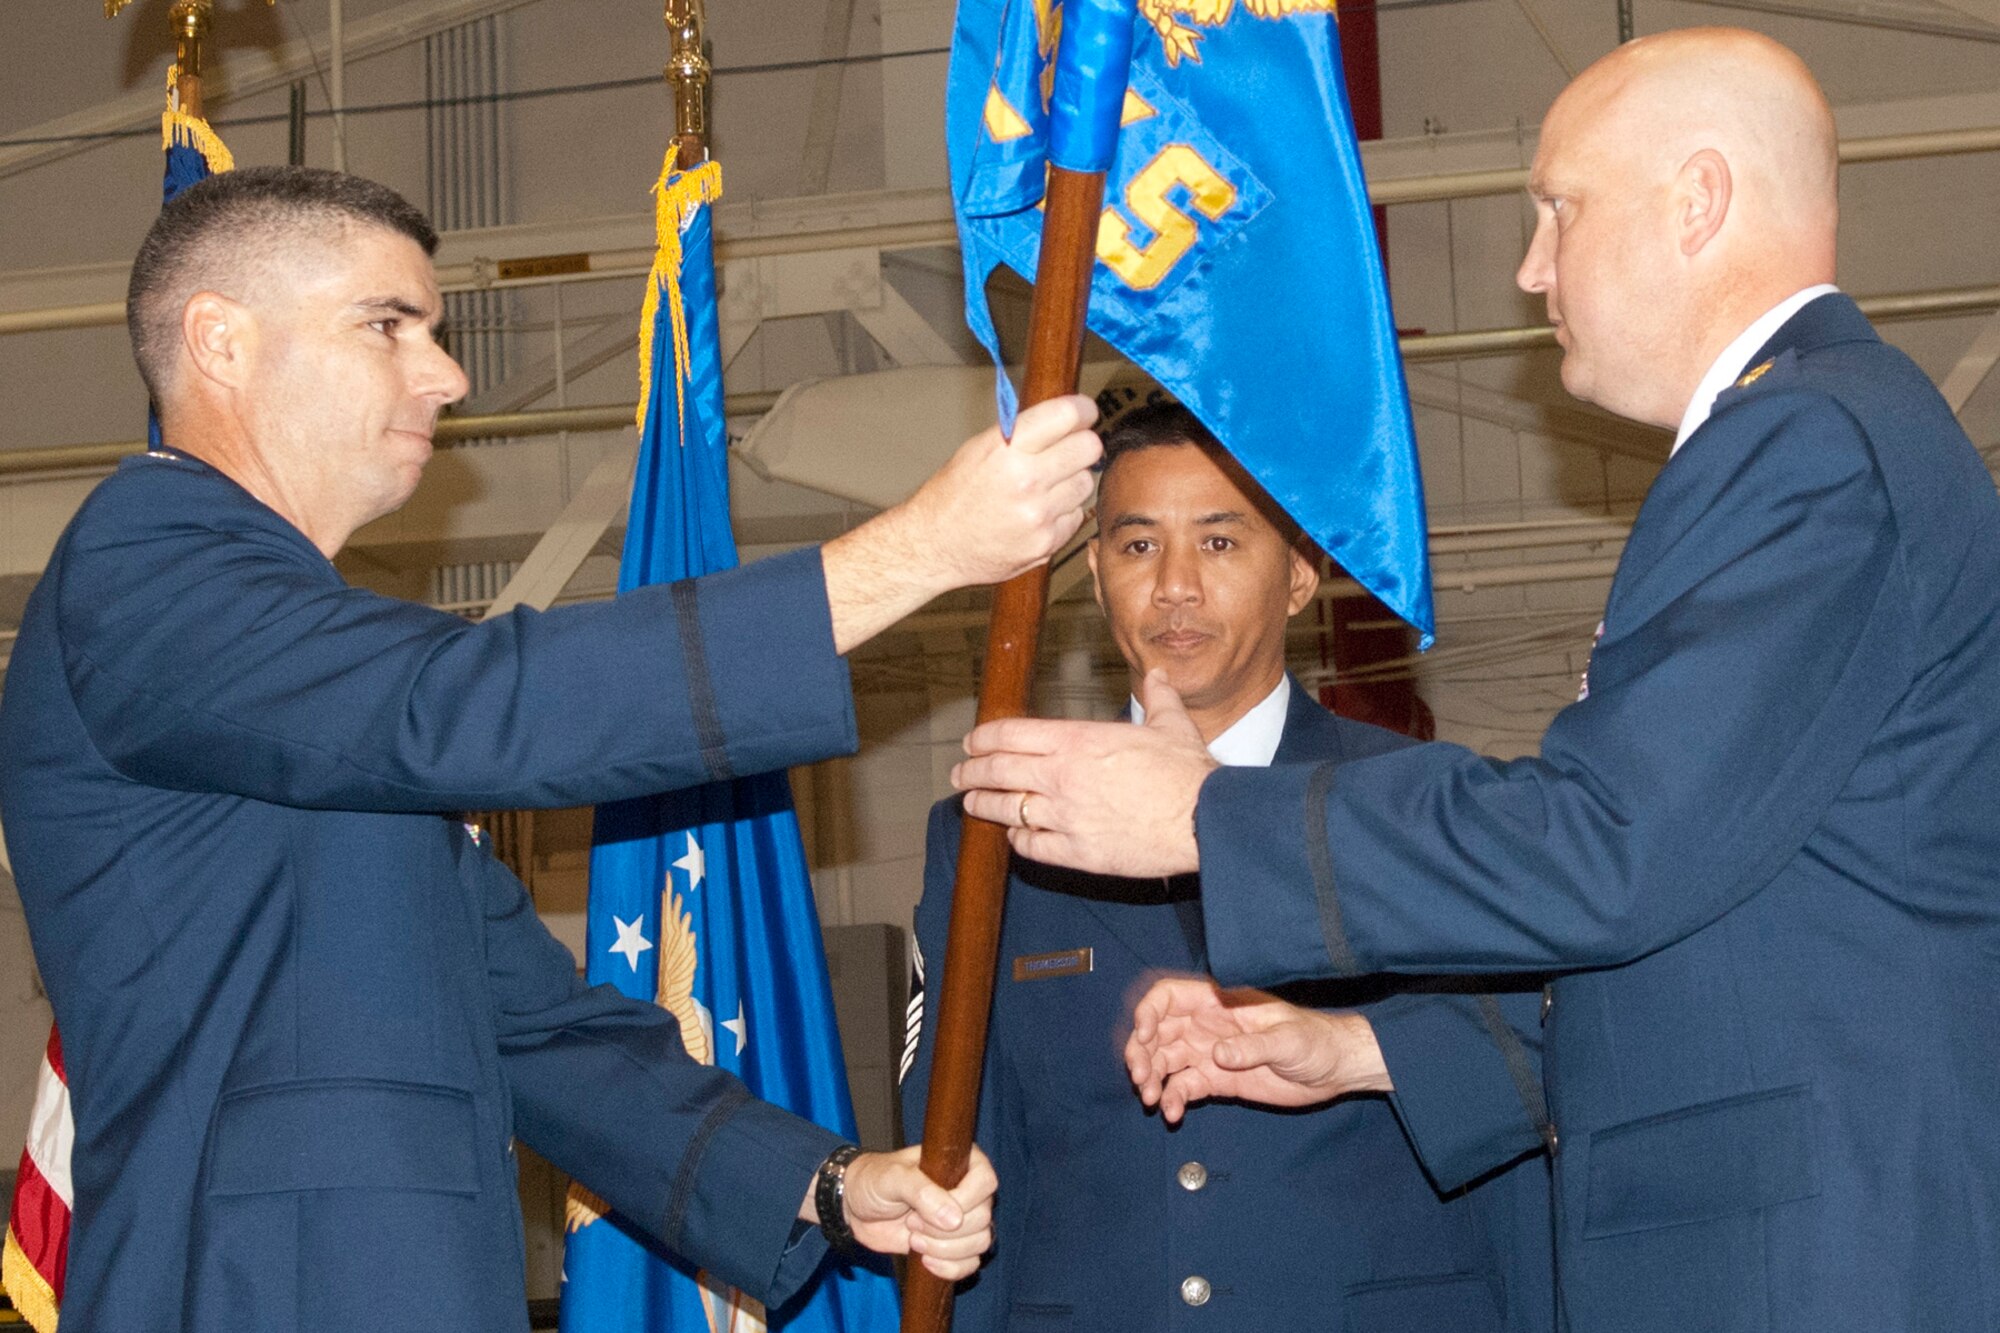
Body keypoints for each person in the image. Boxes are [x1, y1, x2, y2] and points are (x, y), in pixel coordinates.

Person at [952, 28, 2000, 1332]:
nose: (1529, 266)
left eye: (1560, 209)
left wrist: (1204, 813)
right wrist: (1357, 1049)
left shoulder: (1804, 441)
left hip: (1817, 1268)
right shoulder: (1817, 434)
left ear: (1698, 199)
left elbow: (1608, 843)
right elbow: (1712, 912)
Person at [0, 166, 1102, 1330]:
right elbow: (458, 702)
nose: (448, 375)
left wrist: (826, 1184)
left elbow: (535, 1032)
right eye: (388, 325)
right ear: (220, 340)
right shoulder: (143, 566)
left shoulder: (302, 678)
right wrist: (917, 550)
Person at [902, 404, 1554, 1331]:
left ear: (1300, 574)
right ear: (1095, 574)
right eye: (1137, 546)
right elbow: (957, 1168)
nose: (1175, 586)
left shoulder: (1413, 802)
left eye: (1218, 541)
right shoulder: (996, 830)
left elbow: (1526, 1106)